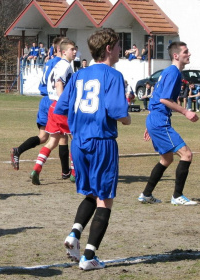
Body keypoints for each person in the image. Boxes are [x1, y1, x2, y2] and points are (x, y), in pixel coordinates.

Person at [55, 28, 131, 271]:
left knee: (90, 192)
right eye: (119, 46)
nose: (121, 50)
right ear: (109, 49)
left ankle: (74, 234)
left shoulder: (79, 75)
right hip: (102, 142)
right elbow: (118, 112)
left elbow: (62, 107)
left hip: (79, 142)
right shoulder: (113, 75)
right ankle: (89, 256)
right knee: (105, 200)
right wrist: (128, 119)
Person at [138, 41, 199, 206]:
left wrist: (149, 124)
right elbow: (164, 99)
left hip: (155, 119)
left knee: (166, 159)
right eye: (186, 51)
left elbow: (157, 97)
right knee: (186, 155)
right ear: (176, 55)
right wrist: (186, 111)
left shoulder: (168, 72)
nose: (189, 54)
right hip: (159, 120)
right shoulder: (173, 73)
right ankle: (177, 196)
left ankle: (146, 194)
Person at [10, 37, 73, 181]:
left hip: (45, 100)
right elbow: (59, 84)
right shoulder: (62, 64)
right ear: (60, 50)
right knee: (62, 137)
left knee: (44, 137)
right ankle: (66, 172)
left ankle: (18, 150)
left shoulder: (50, 62)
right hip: (54, 101)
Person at [30, 38, 76, 185]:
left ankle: (36, 169)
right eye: (72, 50)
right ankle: (74, 173)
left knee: (53, 141)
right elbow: (58, 83)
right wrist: (65, 104)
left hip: (52, 107)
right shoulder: (64, 66)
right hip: (60, 107)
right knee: (76, 139)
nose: (74, 52)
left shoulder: (57, 65)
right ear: (64, 52)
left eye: (75, 49)